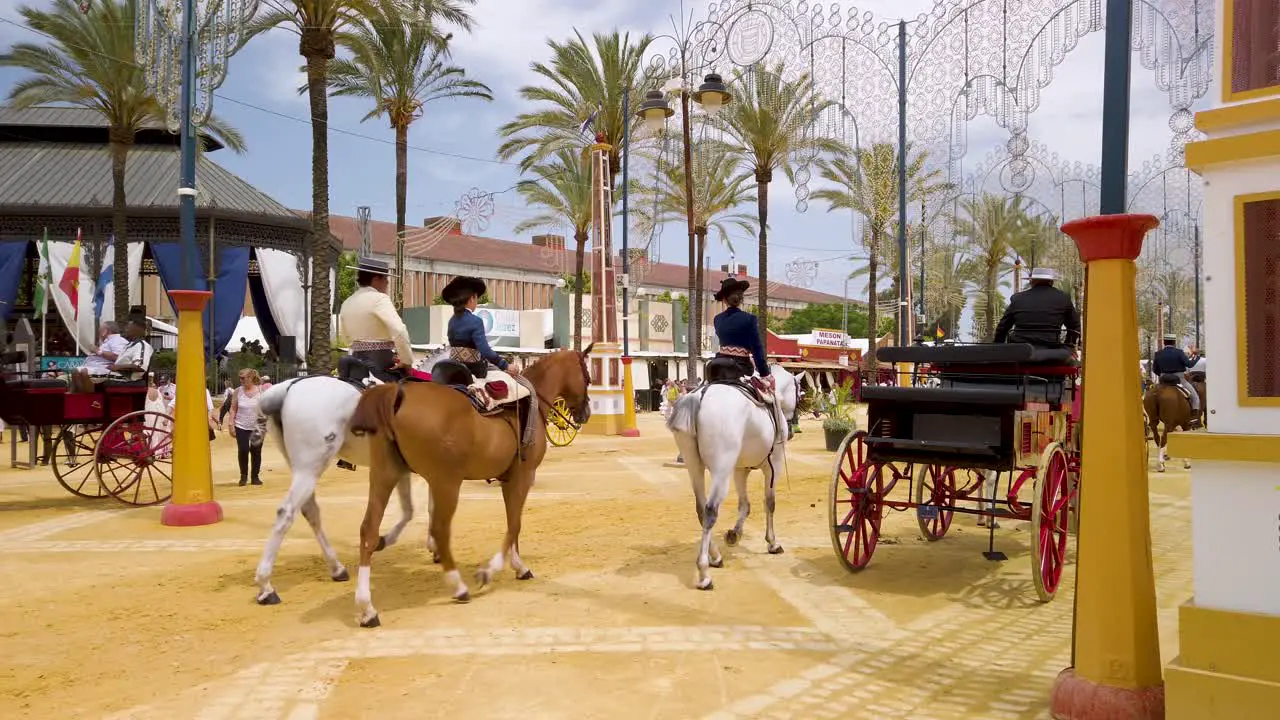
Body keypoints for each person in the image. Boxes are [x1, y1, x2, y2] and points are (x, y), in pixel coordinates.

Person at [338, 256, 416, 382]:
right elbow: (400, 331)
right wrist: (406, 361)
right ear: (376, 279)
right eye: (386, 279)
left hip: (354, 361)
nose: (387, 283)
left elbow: (344, 336)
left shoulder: (347, 302)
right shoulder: (380, 298)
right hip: (380, 364)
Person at [992, 268, 1082, 350]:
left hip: (1020, 349)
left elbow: (1003, 327)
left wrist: (997, 346)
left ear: (1032, 281)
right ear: (1051, 282)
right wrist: (1068, 345)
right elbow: (1074, 326)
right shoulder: (1063, 298)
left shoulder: (1017, 298)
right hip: (1051, 348)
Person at [710, 277, 774, 391]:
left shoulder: (717, 319)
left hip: (718, 367)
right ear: (741, 299)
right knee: (768, 394)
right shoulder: (749, 319)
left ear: (724, 300)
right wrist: (765, 373)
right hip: (740, 367)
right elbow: (757, 349)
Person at [442, 275, 508, 378]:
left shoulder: (452, 320)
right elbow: (485, 350)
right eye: (477, 298)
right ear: (472, 298)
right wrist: (505, 365)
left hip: (453, 368)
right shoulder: (475, 321)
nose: (476, 302)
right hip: (473, 370)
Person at [225, 368, 265, 486]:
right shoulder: (237, 391)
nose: (241, 380)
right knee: (243, 450)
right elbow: (233, 408)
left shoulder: (261, 391)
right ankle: (243, 476)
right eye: (240, 377)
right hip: (241, 425)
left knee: (256, 451)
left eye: (243, 378)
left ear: (251, 378)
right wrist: (231, 424)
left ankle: (255, 477)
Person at [1151, 334, 1201, 425]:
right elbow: (1189, 365)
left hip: (1163, 379)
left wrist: (1162, 375)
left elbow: (1154, 369)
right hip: (1179, 379)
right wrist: (1197, 356)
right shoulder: (1179, 352)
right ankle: (1194, 418)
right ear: (1174, 342)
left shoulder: (1158, 354)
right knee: (1195, 396)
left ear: (1164, 342)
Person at [110, 317, 154, 383]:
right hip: (115, 375)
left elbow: (140, 367)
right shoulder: (129, 345)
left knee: (90, 375)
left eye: (128, 327)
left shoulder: (141, 345)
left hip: (125, 379)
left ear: (137, 330)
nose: (125, 330)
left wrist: (118, 367)